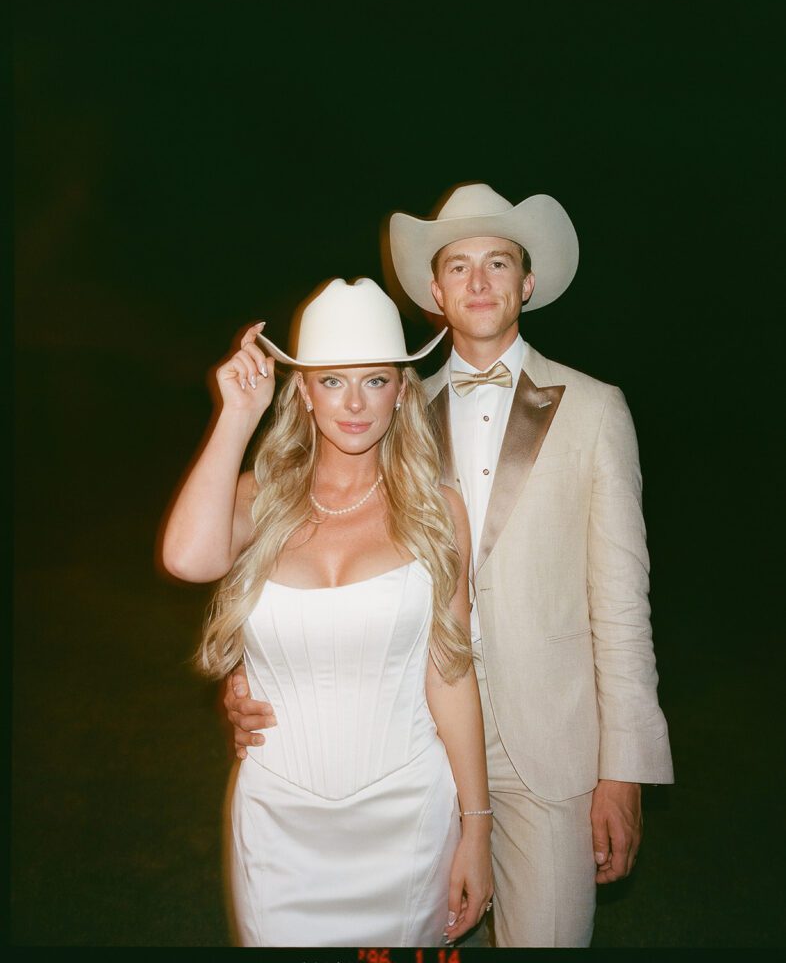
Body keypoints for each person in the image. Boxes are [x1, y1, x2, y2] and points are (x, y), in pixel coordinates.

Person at [225, 184, 675, 947]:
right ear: (434, 291)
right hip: (415, 753)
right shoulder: (384, 412)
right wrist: (254, 679)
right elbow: (302, 550)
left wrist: (623, 767)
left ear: (525, 284)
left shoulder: (597, 410)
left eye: (497, 263)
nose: (477, 282)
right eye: (458, 266)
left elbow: (622, 604)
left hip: (552, 752)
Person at [162, 276, 494, 947]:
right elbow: (187, 560)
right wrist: (236, 414)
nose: (354, 403)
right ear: (303, 393)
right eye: (332, 381)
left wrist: (477, 829)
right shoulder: (259, 500)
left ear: (402, 393)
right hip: (278, 822)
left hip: (409, 816)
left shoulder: (439, 511)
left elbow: (451, 676)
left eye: (375, 381)